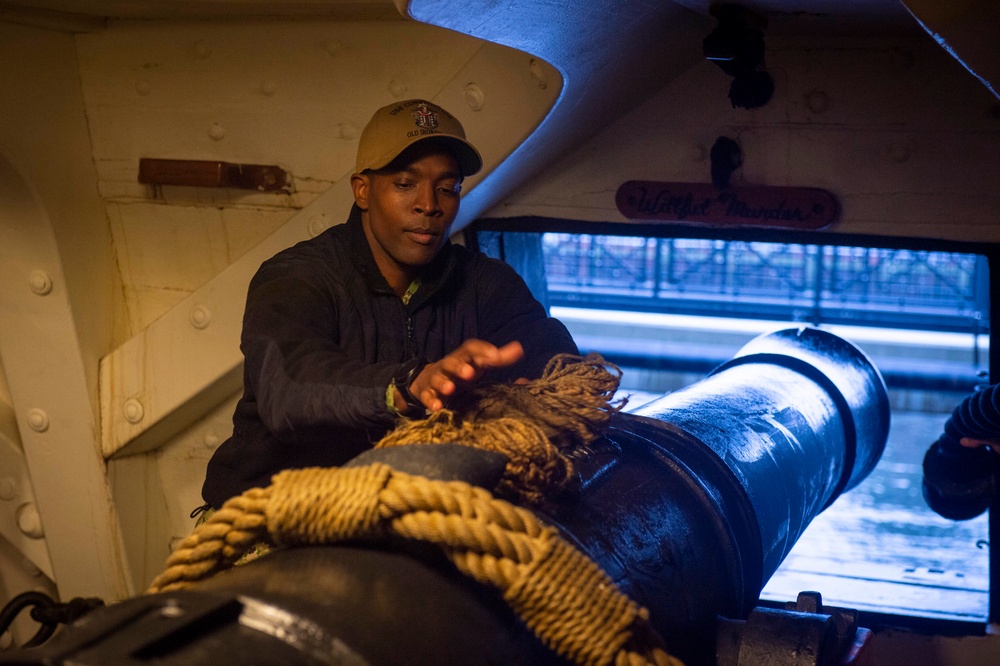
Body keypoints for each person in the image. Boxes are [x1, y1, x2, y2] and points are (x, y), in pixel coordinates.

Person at [201, 99, 578, 508]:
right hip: (271, 518)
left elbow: (554, 359)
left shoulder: (486, 284)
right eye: (404, 184)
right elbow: (290, 388)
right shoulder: (296, 277)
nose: (429, 205)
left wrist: (531, 396)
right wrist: (408, 385)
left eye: (447, 188)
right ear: (362, 190)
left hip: (407, 512)